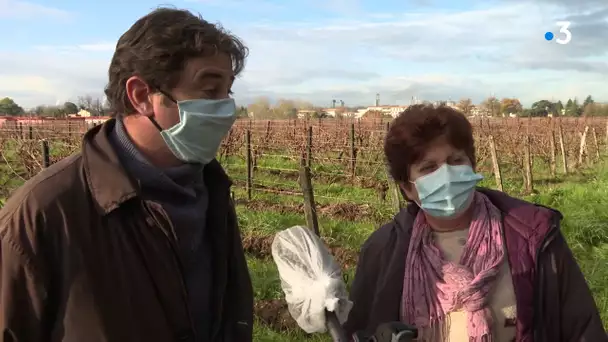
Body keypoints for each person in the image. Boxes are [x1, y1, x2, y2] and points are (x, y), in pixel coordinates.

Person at [0, 8, 253, 342]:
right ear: (141, 96)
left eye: (228, 92)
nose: (226, 108)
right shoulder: (43, 213)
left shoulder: (211, 189)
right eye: (209, 90)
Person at [343, 104, 607, 341]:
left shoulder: (532, 235)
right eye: (428, 168)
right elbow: (361, 330)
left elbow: (581, 328)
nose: (446, 175)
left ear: (471, 166)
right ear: (408, 189)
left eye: (456, 161)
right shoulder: (383, 250)